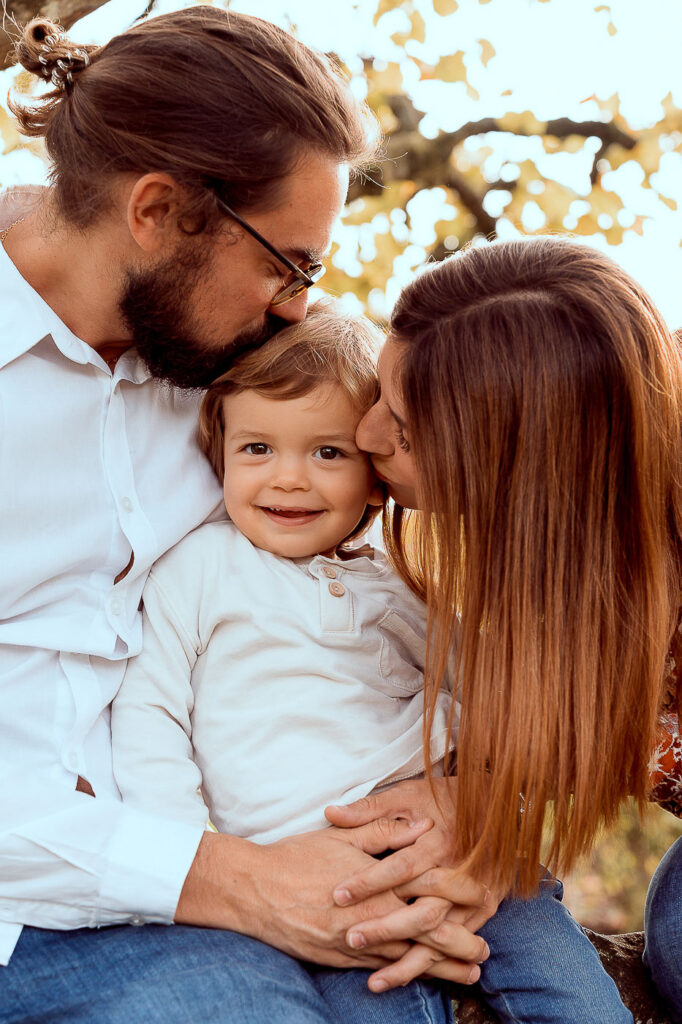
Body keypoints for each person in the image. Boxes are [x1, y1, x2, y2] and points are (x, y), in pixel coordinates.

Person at [0, 9, 491, 1023]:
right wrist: (228, 880)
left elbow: (487, 547)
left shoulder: (239, 381)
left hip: (207, 897)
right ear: (157, 210)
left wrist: (464, 805)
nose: (298, 308)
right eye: (289, 264)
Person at [335, 235, 682, 1022]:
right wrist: (471, 803)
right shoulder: (545, 572)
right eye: (380, 396)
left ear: (528, 468)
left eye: (408, 432)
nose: (365, 437)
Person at [111, 304, 469, 1023]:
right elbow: (150, 714)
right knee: (385, 1006)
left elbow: (478, 699)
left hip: (430, 852)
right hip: (288, 878)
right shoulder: (201, 567)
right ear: (219, 457)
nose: (289, 479)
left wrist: (470, 798)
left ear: (374, 475)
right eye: (257, 450)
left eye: (327, 453)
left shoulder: (398, 583)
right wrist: (191, 862)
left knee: (565, 985)